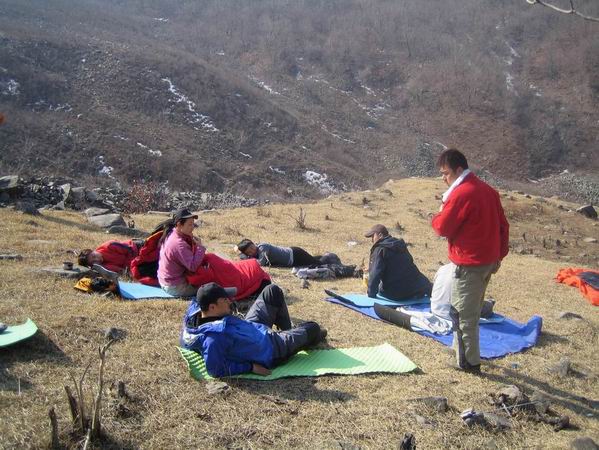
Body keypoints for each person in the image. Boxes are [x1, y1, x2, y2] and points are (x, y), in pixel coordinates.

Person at [431, 148, 509, 372]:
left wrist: (434, 217)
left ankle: (468, 363)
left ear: (458, 170)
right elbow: (503, 227)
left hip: (469, 264)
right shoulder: (488, 191)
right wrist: (498, 256)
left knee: (463, 314)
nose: (444, 178)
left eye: (446, 173)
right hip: (487, 262)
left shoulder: (462, 193)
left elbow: (442, 227)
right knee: (472, 310)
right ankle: (461, 352)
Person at [180, 282, 327, 377]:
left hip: (250, 327)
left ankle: (289, 333)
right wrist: (250, 367)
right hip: (271, 349)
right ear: (212, 307)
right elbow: (215, 369)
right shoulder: (214, 338)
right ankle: (296, 342)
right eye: (224, 300)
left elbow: (185, 340)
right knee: (313, 327)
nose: (229, 301)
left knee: (272, 290)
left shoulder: (196, 313)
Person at [373, 263, 496, 335]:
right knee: (483, 306)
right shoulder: (469, 274)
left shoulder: (443, 269)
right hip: (453, 314)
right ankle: (490, 304)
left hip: (435, 308)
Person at [365, 224, 432, 301]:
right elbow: (409, 264)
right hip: (414, 289)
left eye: (373, 237)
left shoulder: (380, 249)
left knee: (382, 288)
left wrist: (371, 294)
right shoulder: (399, 244)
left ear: (380, 235)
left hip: (396, 294)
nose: (372, 240)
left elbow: (375, 274)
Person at [157, 208, 206, 297]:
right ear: (179, 225)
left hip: (165, 281)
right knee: (208, 287)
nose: (193, 227)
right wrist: (200, 248)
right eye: (190, 224)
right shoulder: (179, 244)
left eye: (193, 224)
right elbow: (193, 266)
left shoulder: (171, 233)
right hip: (175, 287)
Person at [235, 239, 322, 267]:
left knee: (318, 263)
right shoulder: (254, 254)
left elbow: (261, 263)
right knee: (313, 260)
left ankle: (329, 257)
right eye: (249, 252)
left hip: (295, 255)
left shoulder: (263, 247)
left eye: (252, 247)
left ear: (253, 244)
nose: (252, 251)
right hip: (293, 260)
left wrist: (244, 256)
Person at [78, 239, 142, 274]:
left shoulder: (109, 246)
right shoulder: (104, 266)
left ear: (94, 250)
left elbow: (130, 249)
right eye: (93, 262)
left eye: (94, 256)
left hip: (137, 247)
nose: (97, 259)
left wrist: (129, 267)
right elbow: (121, 271)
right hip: (136, 262)